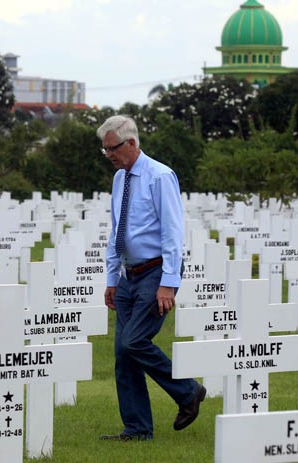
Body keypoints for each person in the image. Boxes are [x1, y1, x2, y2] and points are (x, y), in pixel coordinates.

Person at [97, 115, 205, 441]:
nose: (109, 155)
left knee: (134, 342)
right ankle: (137, 428)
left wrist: (169, 282)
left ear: (131, 143)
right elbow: (117, 229)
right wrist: (112, 278)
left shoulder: (160, 176)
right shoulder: (120, 178)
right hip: (129, 275)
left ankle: (188, 392)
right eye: (104, 150)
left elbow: (173, 232)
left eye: (112, 148)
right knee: (122, 354)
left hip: (156, 272)